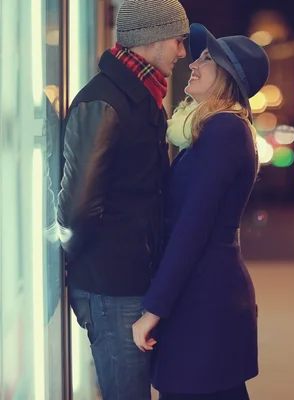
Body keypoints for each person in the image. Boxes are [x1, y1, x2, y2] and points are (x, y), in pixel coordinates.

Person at [56, 1, 189, 398]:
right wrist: (86, 261)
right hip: (111, 286)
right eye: (178, 41)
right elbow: (78, 207)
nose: (182, 53)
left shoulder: (139, 95)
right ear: (150, 39)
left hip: (130, 280)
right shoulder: (105, 101)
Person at [132, 23, 270, 399]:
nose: (194, 64)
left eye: (207, 60)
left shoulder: (224, 130)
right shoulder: (210, 130)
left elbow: (193, 227)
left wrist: (153, 310)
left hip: (205, 303)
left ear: (226, 78)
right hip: (203, 296)